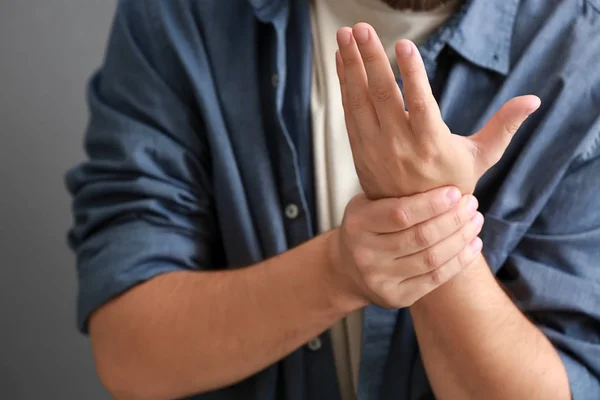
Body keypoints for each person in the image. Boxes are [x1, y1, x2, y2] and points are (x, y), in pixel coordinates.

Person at [65, 0, 600, 399]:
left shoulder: (583, 53)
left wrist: (431, 221)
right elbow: (130, 354)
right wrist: (339, 270)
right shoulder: (185, 16)